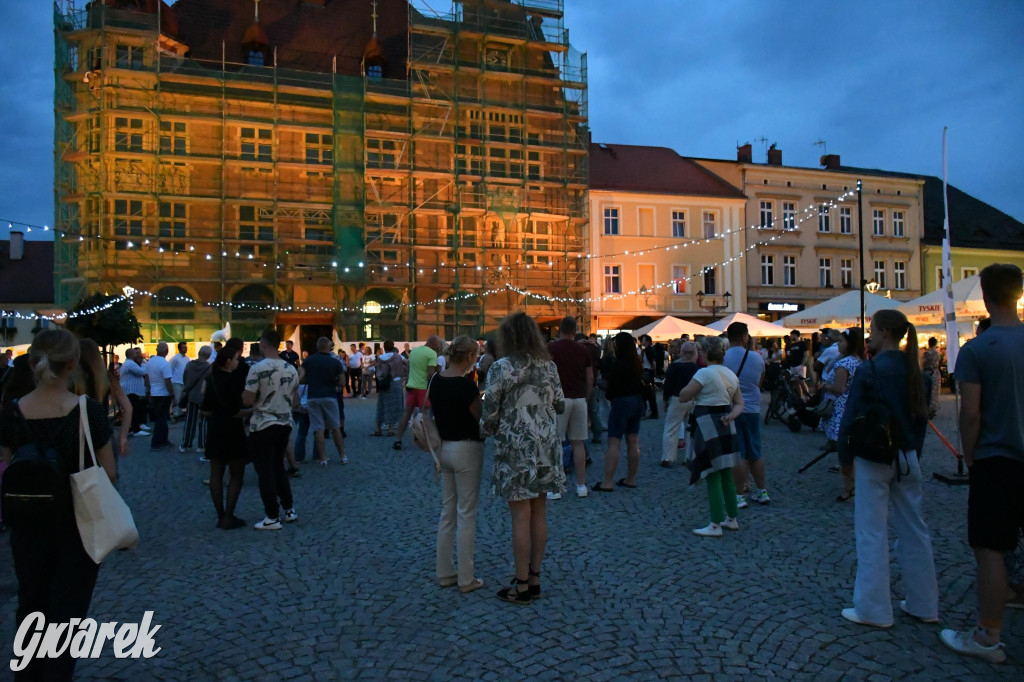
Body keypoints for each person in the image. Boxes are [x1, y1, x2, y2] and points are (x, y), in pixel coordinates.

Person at [0, 329, 117, 680]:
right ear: (72, 365)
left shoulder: (12, 412)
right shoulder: (87, 412)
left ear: (34, 361)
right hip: (75, 523)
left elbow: (6, 464)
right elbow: (108, 472)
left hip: (26, 523)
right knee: (67, 611)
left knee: (31, 601)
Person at [942, 264, 1024, 663]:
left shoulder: (978, 349)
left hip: (998, 458)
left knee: (991, 548)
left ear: (984, 294)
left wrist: (970, 455)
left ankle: (988, 636)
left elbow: (970, 414)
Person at [837, 309, 936, 629]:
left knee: (871, 531)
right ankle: (925, 604)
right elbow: (922, 420)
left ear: (883, 333)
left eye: (871, 329)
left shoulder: (869, 370)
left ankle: (874, 609)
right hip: (907, 456)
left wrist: (845, 460)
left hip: (873, 456)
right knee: (914, 530)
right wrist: (912, 454)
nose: (869, 334)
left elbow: (850, 418)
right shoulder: (916, 372)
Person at [481, 313, 565, 605]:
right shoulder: (549, 366)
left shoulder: (500, 368)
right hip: (545, 445)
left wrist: (486, 431)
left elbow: (489, 412)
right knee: (539, 513)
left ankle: (521, 584)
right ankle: (536, 577)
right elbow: (560, 403)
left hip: (516, 447)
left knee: (520, 517)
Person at [428, 336, 485, 594]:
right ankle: (466, 577)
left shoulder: (435, 381)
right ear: (471, 357)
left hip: (443, 448)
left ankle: (444, 572)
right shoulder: (467, 387)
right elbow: (479, 420)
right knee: (466, 514)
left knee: (447, 512)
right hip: (467, 449)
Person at [679, 336, 743, 537]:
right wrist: (731, 415)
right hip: (726, 423)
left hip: (708, 424)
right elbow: (740, 403)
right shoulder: (730, 374)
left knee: (712, 473)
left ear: (704, 353)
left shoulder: (704, 373)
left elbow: (684, 395)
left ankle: (715, 524)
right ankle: (731, 518)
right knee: (726, 474)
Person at [243, 330, 300, 530]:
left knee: (265, 471)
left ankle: (272, 516)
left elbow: (248, 399)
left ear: (263, 345)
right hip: (284, 423)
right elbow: (295, 400)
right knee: (278, 467)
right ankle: (289, 508)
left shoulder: (257, 369)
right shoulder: (291, 368)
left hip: (263, 423)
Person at [200, 345, 249, 529]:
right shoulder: (234, 382)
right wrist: (253, 411)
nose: (238, 362)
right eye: (236, 359)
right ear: (228, 361)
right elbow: (237, 412)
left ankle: (220, 515)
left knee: (216, 474)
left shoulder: (212, 380)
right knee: (236, 475)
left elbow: (205, 411)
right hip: (233, 430)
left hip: (215, 429)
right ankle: (229, 515)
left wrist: (218, 414)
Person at [723, 322, 769, 507]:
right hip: (752, 408)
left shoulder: (723, 357)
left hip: (732, 408)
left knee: (738, 452)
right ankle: (762, 491)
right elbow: (759, 382)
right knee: (755, 452)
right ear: (745, 336)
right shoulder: (756, 358)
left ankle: (739, 495)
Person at [593, 332, 645, 492]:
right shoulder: (637, 363)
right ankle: (631, 479)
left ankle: (608, 482)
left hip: (621, 402)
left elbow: (612, 388)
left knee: (614, 442)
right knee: (633, 440)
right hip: (637, 401)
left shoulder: (618, 364)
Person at [547, 317, 593, 499]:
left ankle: (555, 487)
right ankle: (581, 486)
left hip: (559, 399)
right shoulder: (584, 350)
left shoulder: (551, 348)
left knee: (556, 443)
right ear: (575, 330)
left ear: (560, 329)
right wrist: (586, 397)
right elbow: (590, 377)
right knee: (578, 443)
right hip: (579, 398)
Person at [821, 328, 865, 502]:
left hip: (841, 410)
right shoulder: (860, 361)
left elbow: (840, 388)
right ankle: (856, 484)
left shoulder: (844, 364)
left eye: (841, 342)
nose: (838, 345)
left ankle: (849, 487)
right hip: (855, 408)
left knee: (844, 452)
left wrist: (826, 386)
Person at [72, 338, 132, 459]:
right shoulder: (107, 379)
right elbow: (128, 407)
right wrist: (123, 436)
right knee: (108, 474)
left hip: (76, 431)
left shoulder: (71, 381)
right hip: (103, 431)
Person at [301, 337, 347, 466]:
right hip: (330, 396)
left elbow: (300, 377)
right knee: (336, 428)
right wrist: (333, 382)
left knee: (318, 429)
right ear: (329, 347)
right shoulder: (335, 362)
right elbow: (342, 382)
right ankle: (342, 456)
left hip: (313, 397)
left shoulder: (308, 361)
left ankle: (322, 458)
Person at [394, 336, 442, 450]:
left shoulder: (414, 351)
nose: (439, 346)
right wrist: (438, 371)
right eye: (438, 344)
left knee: (406, 414)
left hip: (411, 386)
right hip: (423, 388)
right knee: (423, 416)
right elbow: (430, 373)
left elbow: (409, 368)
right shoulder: (432, 354)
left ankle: (398, 440)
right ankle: (424, 440)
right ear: (434, 344)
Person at [660, 340, 699, 467]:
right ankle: (689, 457)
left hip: (677, 398)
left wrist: (665, 400)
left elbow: (668, 385)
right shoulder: (696, 367)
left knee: (671, 428)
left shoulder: (675, 366)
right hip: (694, 399)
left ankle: (668, 457)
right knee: (690, 429)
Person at [179, 345, 212, 456]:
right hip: (204, 397)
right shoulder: (209, 368)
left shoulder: (189, 365)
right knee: (203, 421)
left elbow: (185, 379)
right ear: (208, 356)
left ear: (199, 353)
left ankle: (185, 444)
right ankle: (202, 445)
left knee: (189, 420)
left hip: (192, 395)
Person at [371, 340, 406, 437]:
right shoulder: (399, 357)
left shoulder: (380, 358)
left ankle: (378, 428)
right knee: (394, 406)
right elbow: (407, 364)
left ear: (384, 347)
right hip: (396, 382)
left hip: (384, 383)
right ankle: (391, 429)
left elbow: (378, 372)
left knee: (382, 405)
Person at [145, 341, 174, 449]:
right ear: (167, 351)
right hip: (163, 394)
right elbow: (168, 381)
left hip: (154, 393)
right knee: (162, 419)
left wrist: (149, 391)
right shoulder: (165, 364)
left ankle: (164, 439)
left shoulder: (150, 362)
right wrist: (172, 395)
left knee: (160, 417)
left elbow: (146, 378)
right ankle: (157, 442)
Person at [120, 347, 149, 436]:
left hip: (133, 391)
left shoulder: (131, 363)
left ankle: (135, 428)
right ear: (131, 355)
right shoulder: (130, 364)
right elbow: (143, 372)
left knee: (136, 409)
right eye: (135, 353)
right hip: (131, 391)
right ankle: (135, 429)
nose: (138, 354)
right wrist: (144, 362)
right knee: (134, 410)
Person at [170, 341, 191, 420]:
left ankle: (180, 411)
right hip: (176, 381)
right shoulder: (175, 358)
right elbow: (170, 369)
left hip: (184, 381)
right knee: (177, 397)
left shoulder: (187, 358)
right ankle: (175, 413)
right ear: (179, 348)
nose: (185, 348)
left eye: (186, 347)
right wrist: (172, 380)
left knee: (182, 398)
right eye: (183, 347)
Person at [922, 337, 941, 419]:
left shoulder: (927, 353)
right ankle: (934, 408)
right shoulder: (937, 352)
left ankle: (929, 409)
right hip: (936, 372)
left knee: (929, 391)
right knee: (935, 392)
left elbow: (922, 363)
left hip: (928, 373)